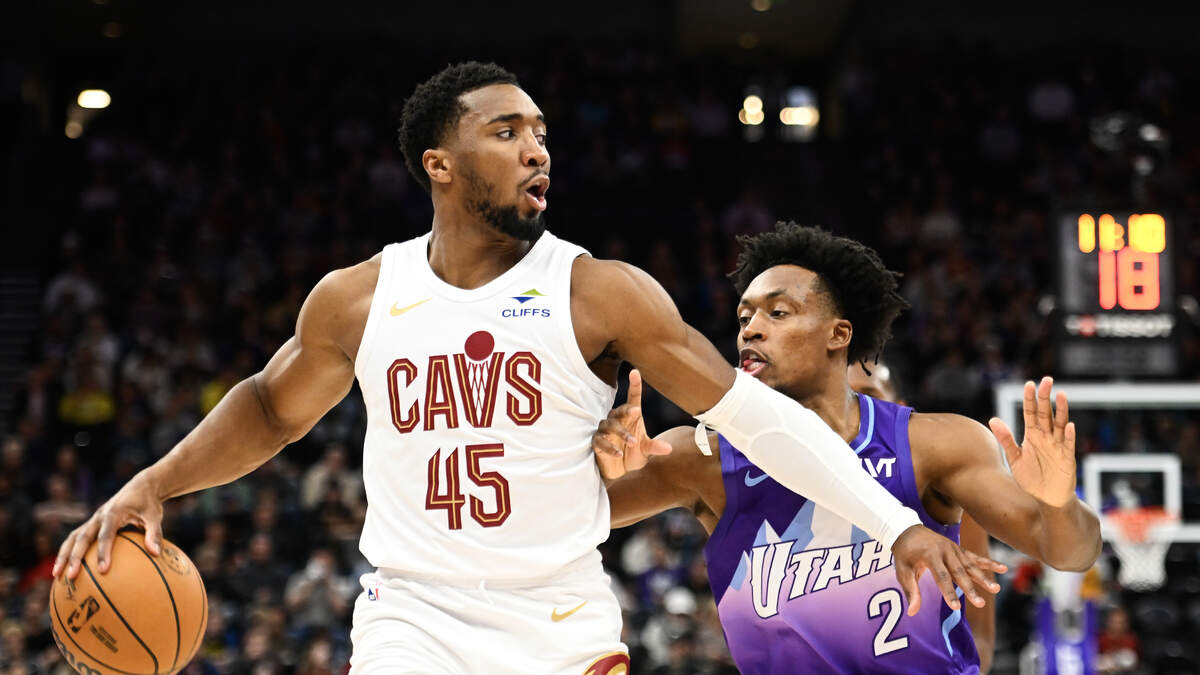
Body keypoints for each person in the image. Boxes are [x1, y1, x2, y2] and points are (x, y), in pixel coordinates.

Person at [55, 64, 996, 674]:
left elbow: (756, 417)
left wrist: (894, 523)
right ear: (440, 163)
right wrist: (154, 482)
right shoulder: (358, 297)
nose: (536, 148)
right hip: (412, 618)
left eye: (540, 132)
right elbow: (268, 409)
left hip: (558, 620)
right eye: (505, 131)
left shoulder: (598, 293)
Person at [595, 223, 1102, 673]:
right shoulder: (699, 458)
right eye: (744, 317)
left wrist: (1059, 503)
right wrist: (604, 464)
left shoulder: (933, 445)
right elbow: (572, 512)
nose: (751, 329)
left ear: (838, 334)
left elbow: (1072, 553)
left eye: (778, 312)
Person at [848, 360, 997, 672]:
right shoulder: (790, 480)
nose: (855, 408)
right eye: (845, 396)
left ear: (899, 409)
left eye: (869, 395)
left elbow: (979, 633)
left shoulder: (943, 487)